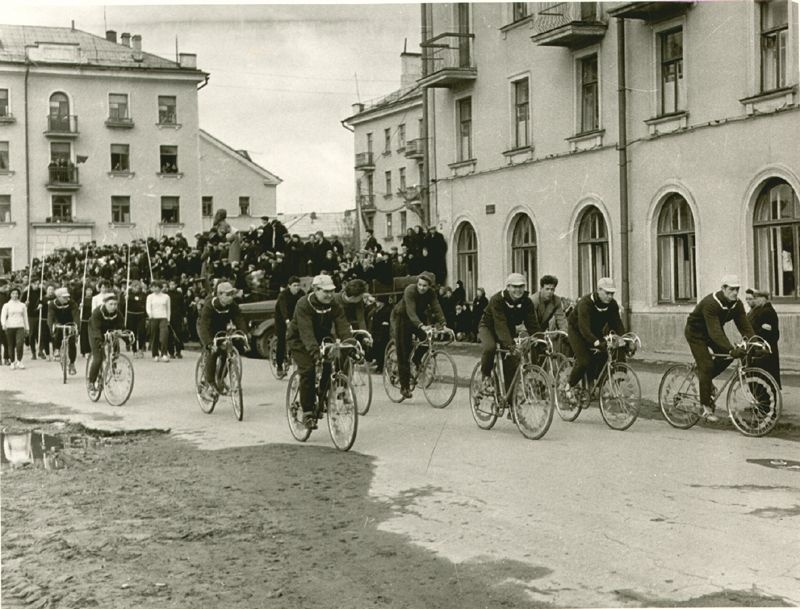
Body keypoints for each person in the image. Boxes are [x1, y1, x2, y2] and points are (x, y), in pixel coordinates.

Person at [684, 275, 754, 422]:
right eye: (731, 289)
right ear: (723, 289)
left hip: (712, 332)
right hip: (696, 333)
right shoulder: (711, 303)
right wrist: (730, 348)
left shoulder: (737, 304)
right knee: (707, 365)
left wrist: (755, 342)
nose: (735, 293)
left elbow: (745, 327)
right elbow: (715, 332)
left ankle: (706, 380)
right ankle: (705, 408)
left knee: (728, 357)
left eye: (737, 289)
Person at [287, 274, 352, 428]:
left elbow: (342, 324)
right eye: (325, 291)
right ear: (315, 290)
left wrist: (350, 343)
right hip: (300, 340)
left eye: (332, 291)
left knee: (330, 367)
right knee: (308, 370)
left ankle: (322, 398)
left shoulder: (334, 303)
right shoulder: (303, 304)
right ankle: (307, 412)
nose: (330, 295)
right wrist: (315, 352)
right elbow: (306, 331)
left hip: (322, 339)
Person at [565, 277, 626, 402]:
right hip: (577, 330)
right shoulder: (586, 303)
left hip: (594, 330)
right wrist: (597, 342)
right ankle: (569, 385)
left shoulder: (612, 305)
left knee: (604, 354)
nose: (610, 296)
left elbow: (617, 324)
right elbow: (584, 329)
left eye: (612, 293)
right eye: (607, 293)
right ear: (598, 290)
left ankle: (596, 384)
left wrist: (624, 339)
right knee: (584, 361)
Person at [478, 273, 540, 394]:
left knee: (511, 363)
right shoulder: (497, 300)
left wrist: (539, 339)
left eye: (521, 286)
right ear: (507, 287)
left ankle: (512, 405)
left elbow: (532, 324)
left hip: (507, 329)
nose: (518, 290)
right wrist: (510, 345)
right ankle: (485, 377)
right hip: (488, 327)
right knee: (490, 348)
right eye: (514, 287)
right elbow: (500, 324)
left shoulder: (526, 302)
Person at [390, 271, 446, 400]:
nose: (421, 288)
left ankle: (416, 359)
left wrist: (443, 323)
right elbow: (410, 310)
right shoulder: (410, 290)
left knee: (427, 340)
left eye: (425, 286)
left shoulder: (431, 294)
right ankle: (404, 387)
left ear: (429, 286)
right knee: (403, 351)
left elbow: (436, 307)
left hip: (417, 319)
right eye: (420, 284)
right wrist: (421, 326)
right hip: (402, 318)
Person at [197, 281, 248, 394]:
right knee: (213, 352)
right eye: (227, 295)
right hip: (206, 329)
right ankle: (209, 382)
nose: (231, 298)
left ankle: (220, 380)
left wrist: (244, 334)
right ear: (219, 295)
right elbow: (204, 326)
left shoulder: (232, 305)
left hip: (220, 330)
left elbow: (239, 318)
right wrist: (209, 343)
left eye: (232, 294)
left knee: (226, 351)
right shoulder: (210, 306)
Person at [87, 293, 125, 390]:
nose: (113, 306)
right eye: (111, 304)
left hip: (109, 332)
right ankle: (91, 381)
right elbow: (96, 329)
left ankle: (113, 369)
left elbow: (121, 327)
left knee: (115, 351)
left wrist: (127, 338)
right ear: (105, 303)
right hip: (95, 332)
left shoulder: (118, 313)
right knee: (98, 358)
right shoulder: (97, 312)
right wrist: (99, 341)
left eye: (115, 304)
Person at [745, 287, 781, 388]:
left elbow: (772, 334)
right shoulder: (759, 310)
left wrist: (760, 331)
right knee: (763, 377)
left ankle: (765, 402)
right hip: (761, 348)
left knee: (765, 377)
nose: (754, 300)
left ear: (763, 299)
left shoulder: (766, 311)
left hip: (764, 349)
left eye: (756, 298)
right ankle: (763, 400)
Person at [274, 276, 305, 379]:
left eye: (298, 285)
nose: (297, 288)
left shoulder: (301, 294)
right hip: (282, 319)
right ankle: (279, 365)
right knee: (281, 340)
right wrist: (287, 320)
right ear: (289, 286)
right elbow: (283, 309)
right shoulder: (283, 295)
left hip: (295, 318)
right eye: (294, 285)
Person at [48, 287, 79, 375]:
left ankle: (72, 364)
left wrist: (77, 326)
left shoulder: (72, 303)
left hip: (70, 322)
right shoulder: (52, 304)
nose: (67, 299)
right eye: (64, 297)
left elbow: (76, 315)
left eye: (68, 297)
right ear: (58, 297)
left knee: (72, 342)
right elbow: (50, 317)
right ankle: (57, 349)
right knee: (56, 332)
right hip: (58, 322)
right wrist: (51, 327)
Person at [1, 286, 30, 369]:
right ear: (10, 295)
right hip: (10, 327)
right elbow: (3, 316)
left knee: (20, 344)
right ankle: (12, 362)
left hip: (20, 326)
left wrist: (27, 328)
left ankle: (19, 361)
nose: (15, 295)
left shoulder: (22, 305)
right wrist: (3, 324)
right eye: (13, 293)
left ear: (18, 295)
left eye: (16, 293)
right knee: (10, 345)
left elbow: (25, 317)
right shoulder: (6, 305)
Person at [146, 281, 171, 362]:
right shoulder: (150, 297)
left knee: (164, 336)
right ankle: (155, 354)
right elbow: (148, 307)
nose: (154, 288)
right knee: (154, 336)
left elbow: (168, 309)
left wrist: (168, 319)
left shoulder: (166, 297)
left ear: (160, 287)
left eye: (156, 287)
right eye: (153, 287)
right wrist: (150, 314)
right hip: (154, 318)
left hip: (163, 317)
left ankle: (164, 353)